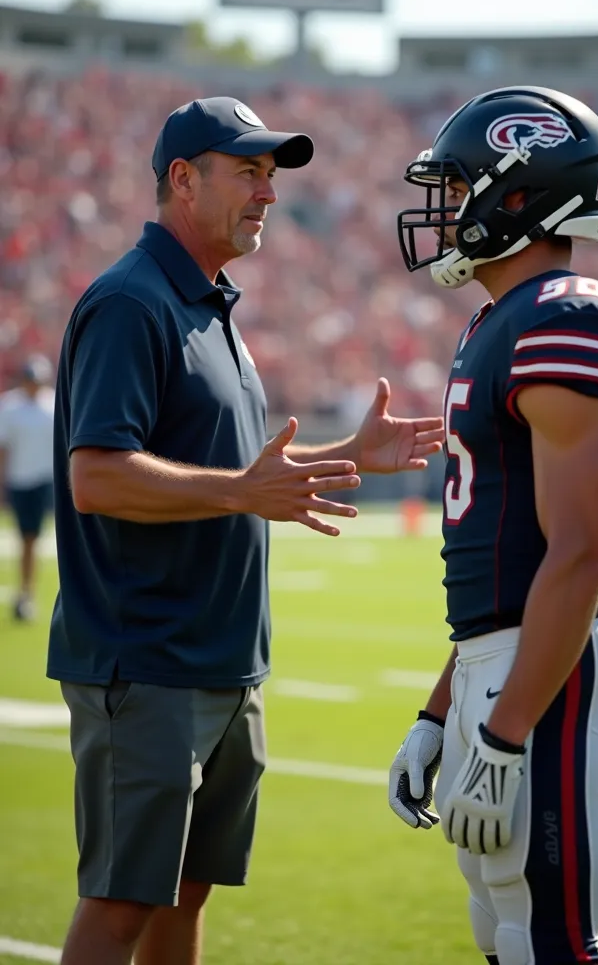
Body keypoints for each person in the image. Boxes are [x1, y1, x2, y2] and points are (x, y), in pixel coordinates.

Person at [47, 95, 444, 965]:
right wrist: (239, 490)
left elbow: (234, 473)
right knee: (119, 906)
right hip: (146, 662)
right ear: (183, 179)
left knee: (185, 900)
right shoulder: (129, 302)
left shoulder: (209, 302)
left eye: (272, 175)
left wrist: (350, 455)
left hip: (225, 662)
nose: (268, 193)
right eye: (249, 173)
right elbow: (95, 475)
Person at [388, 85, 598, 965]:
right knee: (503, 933)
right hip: (504, 661)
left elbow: (579, 552)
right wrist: (444, 705)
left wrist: (503, 733)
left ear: (516, 195)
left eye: (455, 187)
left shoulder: (564, 314)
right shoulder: (499, 320)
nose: (441, 210)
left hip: (552, 671)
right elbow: (506, 559)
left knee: (549, 942)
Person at [0, 354, 55, 621]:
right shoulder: (10, 405)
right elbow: (3, 447)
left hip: (46, 481)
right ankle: (25, 592)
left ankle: (27, 593)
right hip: (19, 480)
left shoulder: (53, 404)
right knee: (27, 539)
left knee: (33, 539)